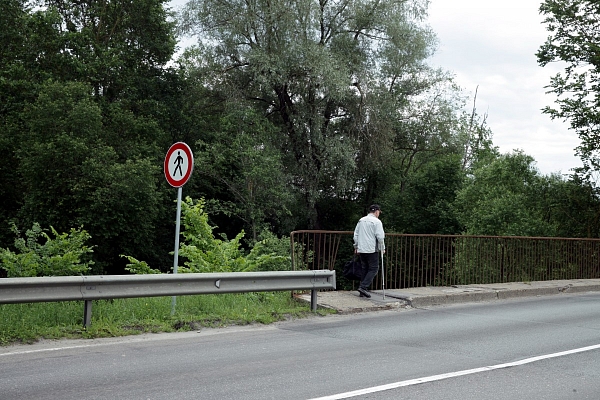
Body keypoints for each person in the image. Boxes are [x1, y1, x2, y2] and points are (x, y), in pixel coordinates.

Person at [353, 204, 385, 298]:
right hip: (371, 249)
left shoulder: (361, 220)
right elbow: (380, 237)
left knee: (365, 268)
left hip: (361, 248)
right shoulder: (377, 222)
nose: (379, 214)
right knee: (374, 268)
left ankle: (362, 290)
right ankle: (363, 287)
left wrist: (356, 246)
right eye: (379, 212)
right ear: (376, 211)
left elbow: (356, 235)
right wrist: (382, 248)